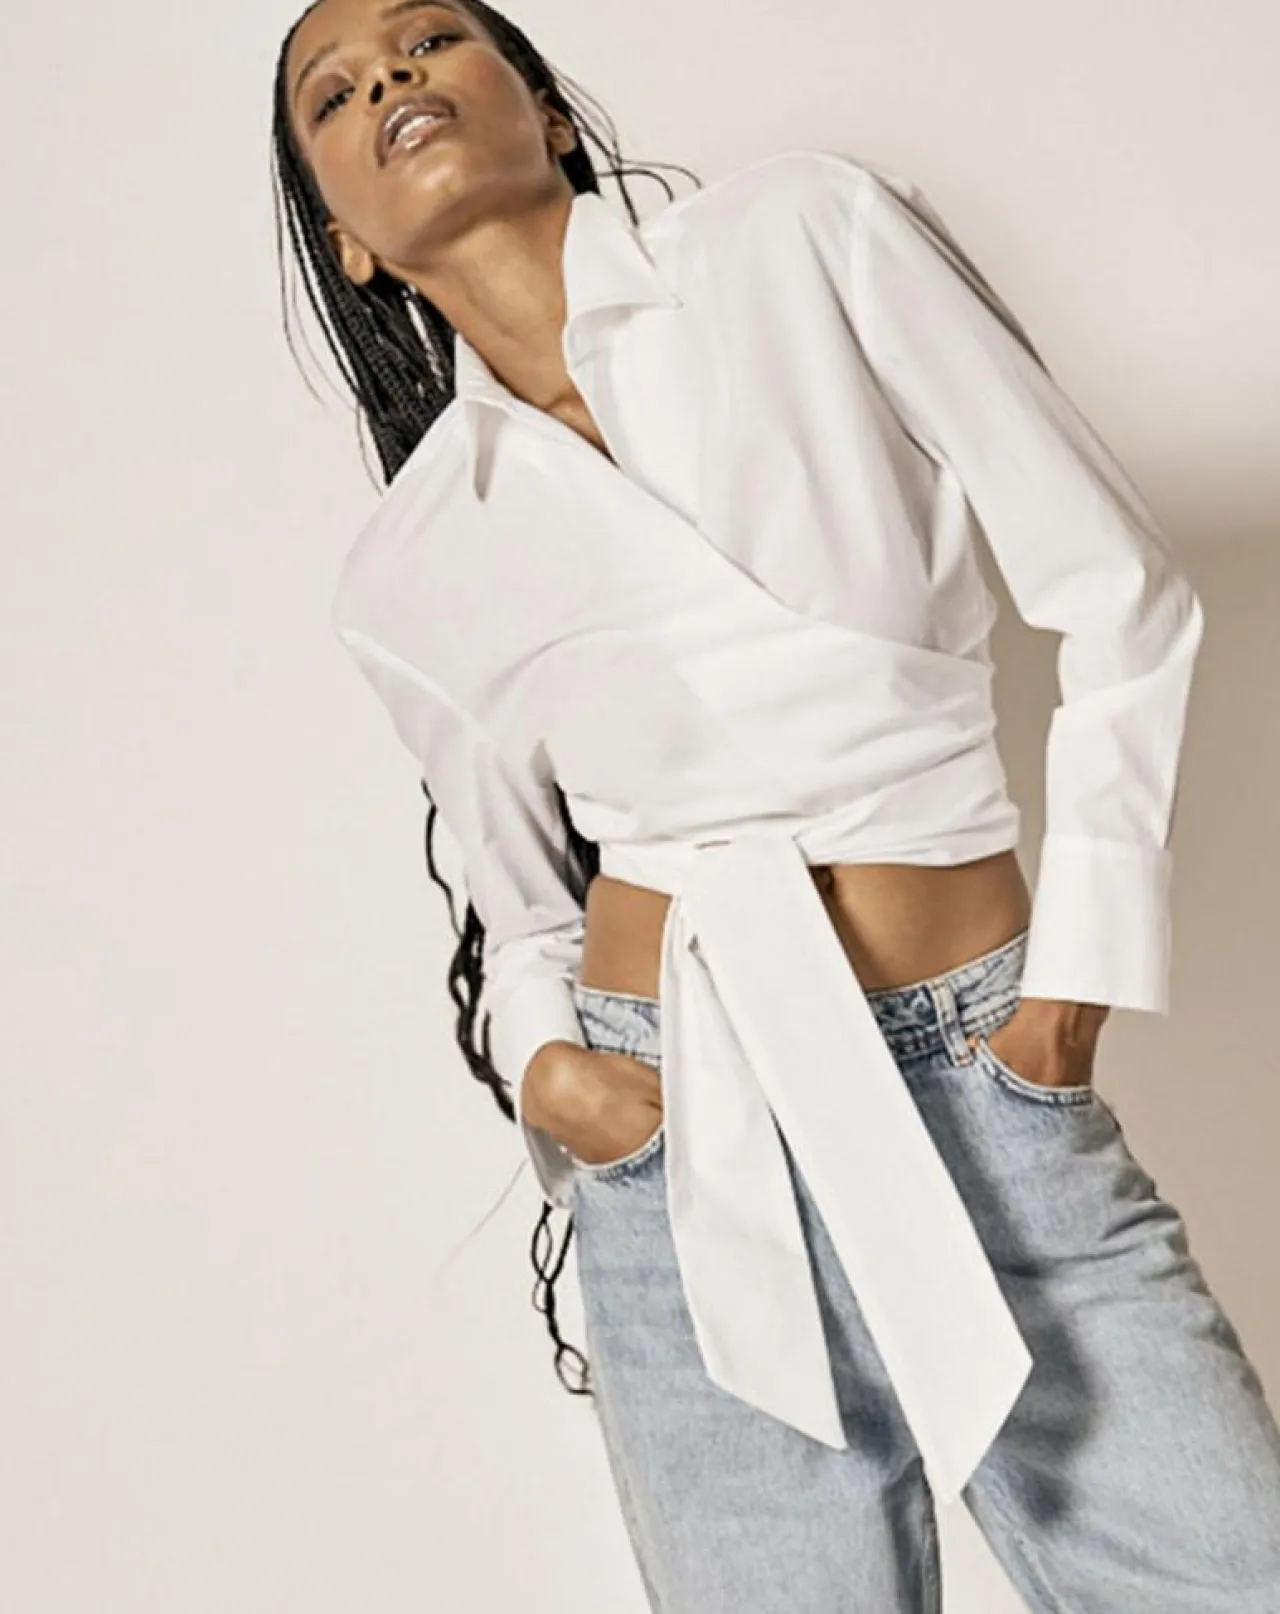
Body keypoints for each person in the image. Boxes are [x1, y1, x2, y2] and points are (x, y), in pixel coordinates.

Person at [273, 0, 1280, 1606]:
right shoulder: (411, 565)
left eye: (431, 39)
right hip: (685, 1151)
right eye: (334, 94)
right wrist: (556, 1073)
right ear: (349, 243)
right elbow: (524, 904)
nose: (389, 75)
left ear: (543, 107)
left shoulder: (804, 240)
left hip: (980, 1073)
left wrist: (1071, 990)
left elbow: (1122, 591)